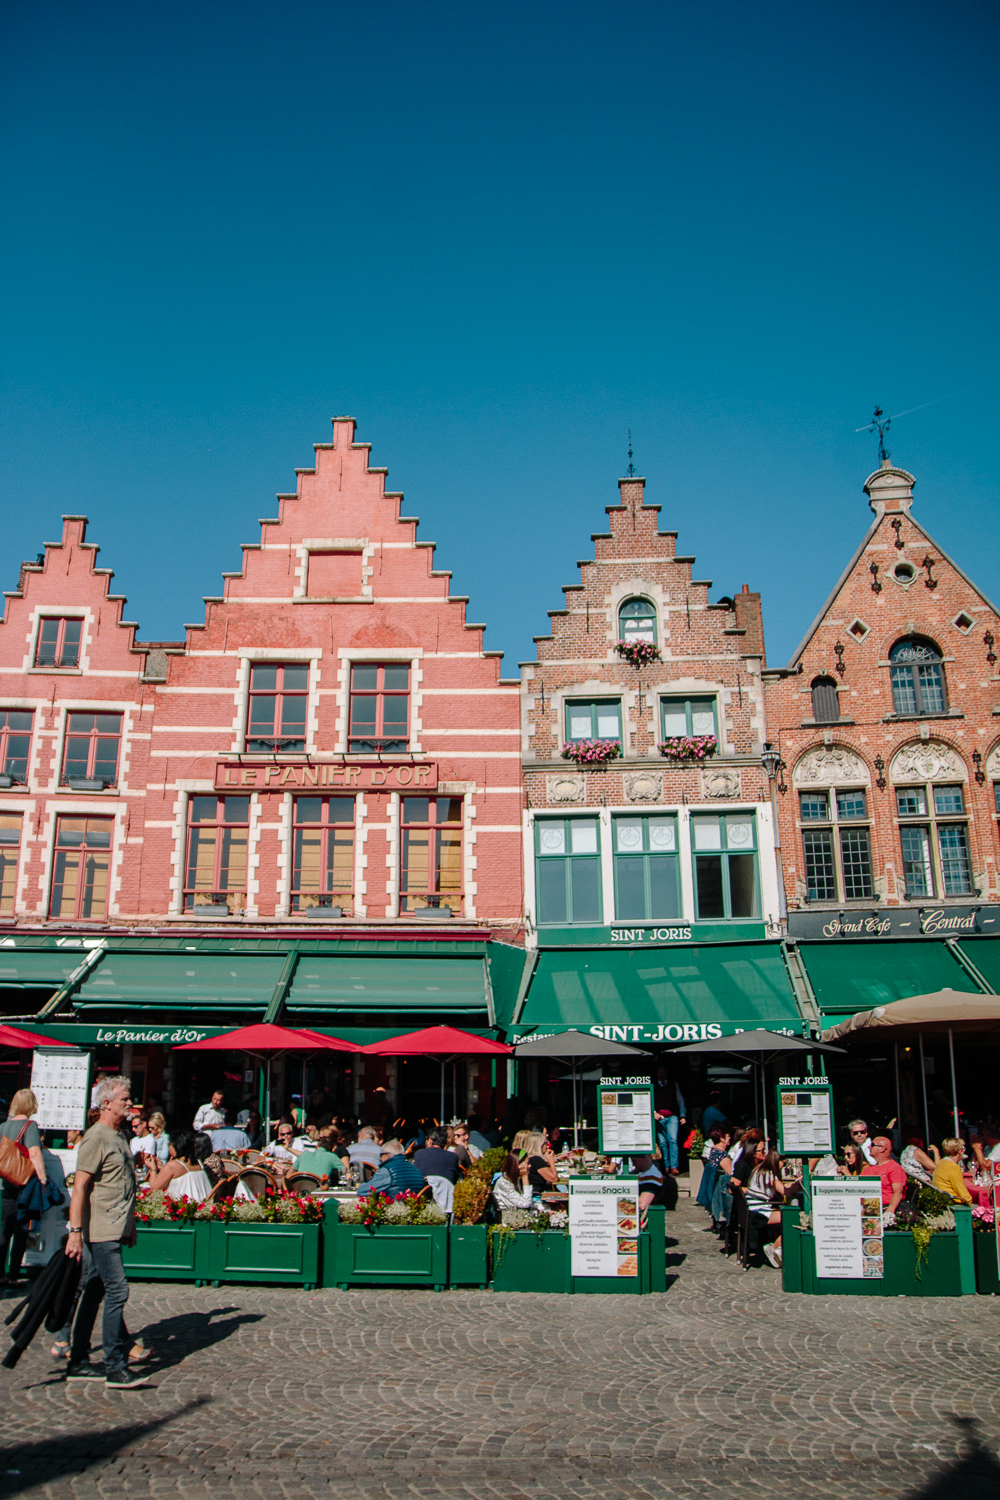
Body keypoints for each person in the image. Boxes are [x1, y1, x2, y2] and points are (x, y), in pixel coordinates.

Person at [63, 1075, 149, 1388]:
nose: (130, 1103)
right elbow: (80, 1188)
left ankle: (79, 1360)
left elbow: (123, 1186)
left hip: (115, 1226)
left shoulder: (118, 1136)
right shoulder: (96, 1137)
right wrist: (76, 1231)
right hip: (100, 1229)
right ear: (106, 1102)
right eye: (125, 1098)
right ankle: (114, 1365)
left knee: (97, 1289)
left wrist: (131, 1224)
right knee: (117, 1289)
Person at [1, 1088, 48, 1288]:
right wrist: (43, 1179)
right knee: (21, 1232)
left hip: (5, 1186)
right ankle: (12, 1276)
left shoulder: (2, 1126)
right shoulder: (30, 1126)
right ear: (31, 1105)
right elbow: (35, 1154)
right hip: (24, 1188)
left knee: (3, 1231)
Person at [745, 1149, 800, 1269]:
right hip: (758, 1212)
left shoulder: (759, 1169)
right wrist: (800, 1183)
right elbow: (787, 1192)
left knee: (785, 1214)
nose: (783, 1166)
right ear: (777, 1161)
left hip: (752, 1208)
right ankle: (774, 1247)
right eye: (783, 1163)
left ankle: (779, 1248)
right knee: (792, 1218)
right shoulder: (769, 1174)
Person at [145, 1130, 212, 1203]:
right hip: (200, 1204)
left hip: (182, 1208)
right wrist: (163, 1167)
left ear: (175, 1145)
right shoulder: (198, 1162)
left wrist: (153, 1169)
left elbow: (153, 1189)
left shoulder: (173, 1165)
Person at [358, 1140, 426, 1199]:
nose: (380, 1158)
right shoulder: (416, 1170)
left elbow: (362, 1191)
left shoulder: (386, 1171)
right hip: (414, 1210)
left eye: (381, 1155)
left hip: (393, 1210)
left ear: (387, 1155)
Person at [653, 1064, 686, 1176]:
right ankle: (665, 1166)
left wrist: (682, 1115)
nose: (661, 1074)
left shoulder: (673, 1084)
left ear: (666, 1073)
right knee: (662, 1142)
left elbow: (680, 1100)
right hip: (659, 1117)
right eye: (659, 1072)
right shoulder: (653, 1085)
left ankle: (674, 1166)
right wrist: (653, 1112)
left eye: (663, 1072)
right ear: (657, 1074)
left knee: (672, 1140)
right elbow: (647, 1100)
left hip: (672, 1116)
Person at [861, 1135, 907, 1215]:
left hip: (884, 1207)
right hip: (867, 1207)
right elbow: (856, 1185)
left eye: (872, 1145)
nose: (869, 1147)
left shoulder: (894, 1168)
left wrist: (889, 1211)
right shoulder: (868, 1169)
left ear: (882, 1148)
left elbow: (898, 1192)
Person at [931, 1137, 973, 1205]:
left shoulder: (942, 1162)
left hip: (941, 1200)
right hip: (952, 1203)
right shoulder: (953, 1167)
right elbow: (963, 1194)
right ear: (960, 1151)